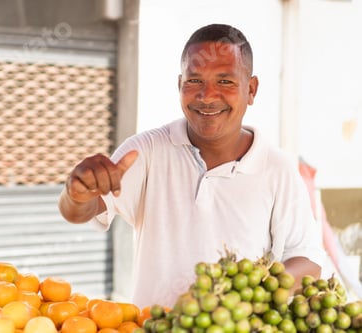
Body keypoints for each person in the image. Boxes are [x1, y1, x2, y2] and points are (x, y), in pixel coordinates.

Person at [58, 23, 325, 308]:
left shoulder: (278, 168)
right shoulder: (145, 151)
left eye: (225, 81)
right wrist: (77, 194)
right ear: (179, 85)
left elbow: (307, 261)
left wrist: (247, 292)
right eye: (194, 81)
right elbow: (80, 212)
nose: (207, 96)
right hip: (154, 327)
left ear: (251, 89)